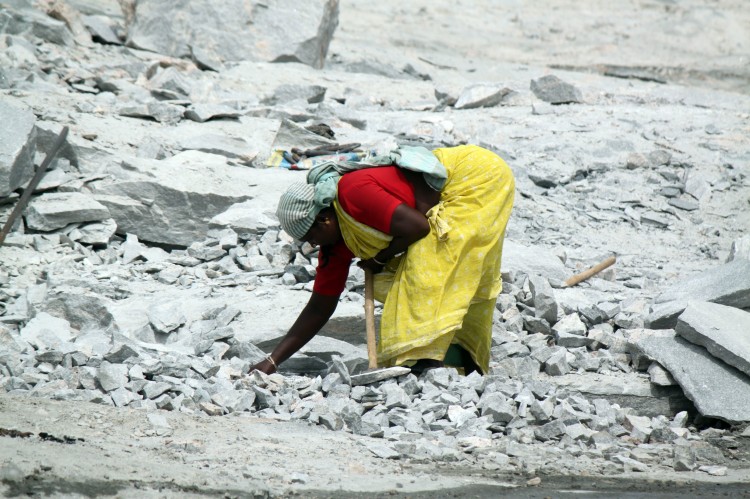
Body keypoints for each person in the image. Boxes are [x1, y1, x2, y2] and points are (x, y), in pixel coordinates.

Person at [250, 144, 515, 376]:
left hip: (475, 175)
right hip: (443, 197)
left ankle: (427, 359)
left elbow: (419, 226)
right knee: (396, 280)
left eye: (311, 237)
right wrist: (273, 360)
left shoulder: (353, 192)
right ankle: (450, 356)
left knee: (430, 264)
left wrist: (379, 259)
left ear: (324, 219)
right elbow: (320, 306)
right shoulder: (337, 244)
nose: (313, 245)